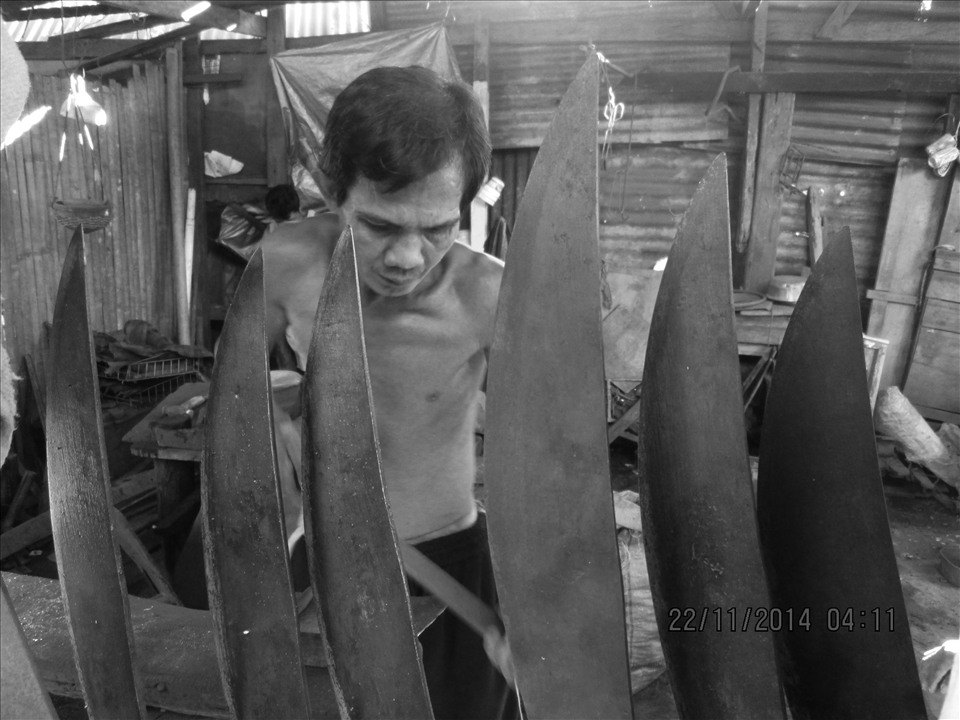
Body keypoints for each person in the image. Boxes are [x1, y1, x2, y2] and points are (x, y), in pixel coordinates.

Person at [259, 66, 518, 720]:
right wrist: (274, 399)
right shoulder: (285, 263)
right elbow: (236, 386)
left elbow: (550, 453)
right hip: (319, 556)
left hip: (448, 563)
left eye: (436, 229)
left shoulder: (488, 295)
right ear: (331, 191)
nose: (406, 257)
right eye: (378, 225)